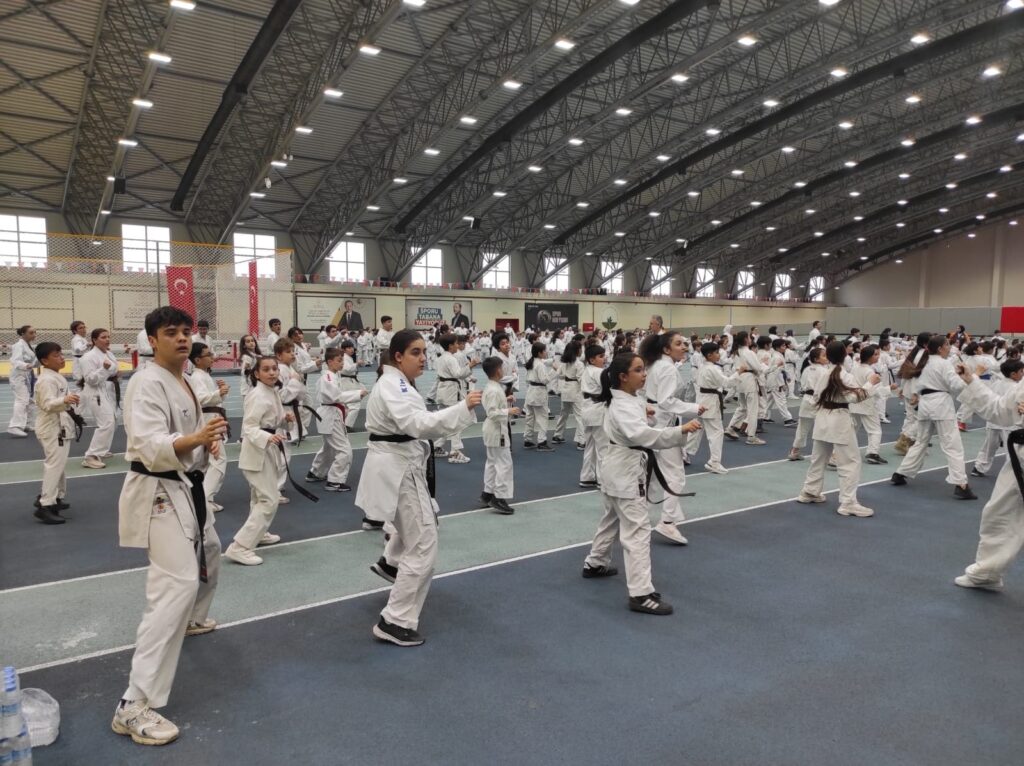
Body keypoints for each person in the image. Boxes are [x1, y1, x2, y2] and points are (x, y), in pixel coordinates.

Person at [112, 306, 226, 747]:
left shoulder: (185, 379)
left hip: (185, 486)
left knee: (210, 554)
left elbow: (186, 433)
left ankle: (192, 618)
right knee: (174, 585)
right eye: (170, 332)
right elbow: (147, 443)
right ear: (152, 340)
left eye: (185, 332)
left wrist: (205, 443)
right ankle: (132, 704)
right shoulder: (146, 382)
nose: (181, 338)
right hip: (160, 493)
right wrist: (192, 441)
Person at [357, 330, 480, 646]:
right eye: (415, 352)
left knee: (416, 525)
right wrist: (463, 408)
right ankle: (394, 621)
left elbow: (417, 425)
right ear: (398, 356)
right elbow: (418, 425)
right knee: (424, 543)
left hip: (400, 464)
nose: (423, 357)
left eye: (424, 351)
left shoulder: (395, 383)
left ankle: (390, 562)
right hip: (399, 470)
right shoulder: (394, 384)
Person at [581, 352, 701, 615]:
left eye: (643, 369)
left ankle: (595, 562)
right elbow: (641, 434)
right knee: (637, 531)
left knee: (611, 518)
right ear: (623, 377)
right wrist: (680, 431)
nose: (644, 374)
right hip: (624, 473)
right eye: (638, 370)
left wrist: (644, 408)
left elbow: (634, 421)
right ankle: (640, 593)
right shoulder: (622, 404)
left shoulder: (626, 398)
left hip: (615, 470)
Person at [952, 357, 1024, 591]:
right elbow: (1001, 411)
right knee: (999, 513)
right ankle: (987, 573)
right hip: (1020, 460)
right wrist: (972, 381)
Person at [797, 341, 880, 517]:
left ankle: (810, 491)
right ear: (844, 355)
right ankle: (848, 502)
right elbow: (853, 397)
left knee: (819, 459)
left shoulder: (825, 374)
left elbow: (815, 398)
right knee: (850, 462)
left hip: (822, 418)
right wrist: (870, 384)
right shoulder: (843, 375)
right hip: (839, 420)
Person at [891, 335, 977, 500]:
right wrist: (967, 378)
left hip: (925, 405)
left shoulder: (926, 362)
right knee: (953, 446)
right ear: (940, 348)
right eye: (947, 345)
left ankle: (900, 473)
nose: (949, 347)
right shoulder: (944, 363)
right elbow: (956, 385)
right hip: (941, 406)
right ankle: (961, 484)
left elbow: (926, 382)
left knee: (921, 442)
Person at [225, 355, 291, 565]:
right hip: (256, 452)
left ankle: (259, 533)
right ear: (256, 373)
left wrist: (284, 420)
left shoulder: (272, 392)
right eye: (266, 369)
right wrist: (267, 436)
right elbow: (249, 427)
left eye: (274, 369)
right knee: (269, 499)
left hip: (266, 450)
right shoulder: (257, 395)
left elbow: (271, 422)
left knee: (258, 498)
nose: (272, 372)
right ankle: (240, 547)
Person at [639, 332, 702, 544]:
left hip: (654, 420)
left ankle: (641, 519)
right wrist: (694, 408)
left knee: (655, 476)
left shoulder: (656, 365)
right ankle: (667, 523)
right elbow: (667, 401)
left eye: (684, 343)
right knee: (674, 476)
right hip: (662, 424)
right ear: (666, 349)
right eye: (678, 344)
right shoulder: (665, 368)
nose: (684, 347)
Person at [32, 341, 80, 524]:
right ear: (44, 360)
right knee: (54, 466)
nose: (61, 358)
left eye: (61, 353)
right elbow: (47, 404)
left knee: (59, 466)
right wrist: (65, 399)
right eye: (56, 355)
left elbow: (59, 402)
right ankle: (45, 504)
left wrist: (68, 402)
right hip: (51, 428)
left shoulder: (56, 377)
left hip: (59, 426)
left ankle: (56, 497)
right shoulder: (46, 380)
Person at [307, 347, 367, 491]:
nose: (342, 364)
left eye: (342, 360)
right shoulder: (327, 377)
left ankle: (316, 472)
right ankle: (335, 480)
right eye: (339, 361)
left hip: (332, 413)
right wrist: (358, 394)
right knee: (344, 450)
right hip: (330, 414)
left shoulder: (333, 375)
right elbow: (335, 396)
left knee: (329, 448)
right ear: (329, 362)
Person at [188, 343, 230, 512]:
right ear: (197, 359)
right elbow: (200, 399)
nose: (212, 357)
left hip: (212, 419)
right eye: (208, 354)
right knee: (219, 460)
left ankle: (205, 497)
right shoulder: (197, 377)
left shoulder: (204, 375)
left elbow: (213, 399)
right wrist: (218, 393)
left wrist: (220, 391)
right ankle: (205, 498)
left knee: (207, 461)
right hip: (208, 421)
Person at [481, 356, 520, 514]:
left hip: (493, 431)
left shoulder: (493, 388)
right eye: (502, 367)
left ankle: (488, 493)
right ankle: (499, 497)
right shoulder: (494, 390)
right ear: (498, 370)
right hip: (497, 431)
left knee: (492, 463)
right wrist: (508, 410)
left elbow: (494, 405)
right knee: (504, 464)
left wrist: (506, 399)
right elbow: (492, 412)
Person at [972, 360, 1024, 477]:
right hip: (1008, 424)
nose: (1023, 373)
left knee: (989, 447)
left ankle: (979, 467)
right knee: (1010, 450)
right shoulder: (1016, 388)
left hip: (993, 422)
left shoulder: (996, 383)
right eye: (1021, 371)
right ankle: (1014, 473)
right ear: (1013, 374)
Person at [688, 341, 733, 474]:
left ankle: (685, 452)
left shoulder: (704, 366)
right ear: (709, 355)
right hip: (710, 403)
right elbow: (727, 383)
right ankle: (714, 462)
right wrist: (739, 373)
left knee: (697, 428)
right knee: (716, 432)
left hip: (703, 400)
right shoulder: (711, 369)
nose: (718, 355)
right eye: (716, 353)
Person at [80, 328, 119, 468]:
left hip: (109, 390)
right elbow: (90, 379)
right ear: (94, 340)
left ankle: (102, 450)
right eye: (103, 337)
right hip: (96, 392)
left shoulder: (109, 353)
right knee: (107, 422)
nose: (107, 339)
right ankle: (90, 456)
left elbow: (114, 369)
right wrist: (104, 369)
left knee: (113, 420)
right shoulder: (88, 357)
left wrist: (111, 371)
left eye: (108, 337)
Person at [433, 333, 476, 463]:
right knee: (456, 421)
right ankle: (455, 452)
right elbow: (458, 374)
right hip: (451, 391)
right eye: (457, 343)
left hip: (444, 389)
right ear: (451, 345)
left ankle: (437, 446)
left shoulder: (441, 358)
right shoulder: (450, 359)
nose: (458, 346)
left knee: (448, 421)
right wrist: (470, 365)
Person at [850, 345, 888, 465]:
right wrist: (889, 389)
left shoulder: (855, 368)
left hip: (854, 402)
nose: (878, 356)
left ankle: (840, 452)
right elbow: (874, 390)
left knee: (851, 429)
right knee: (875, 430)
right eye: (876, 354)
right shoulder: (869, 371)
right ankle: (872, 453)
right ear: (869, 357)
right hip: (866, 403)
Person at [789, 347, 828, 461]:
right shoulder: (824, 371)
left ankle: (794, 451)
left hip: (806, 399)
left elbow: (802, 384)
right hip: (818, 400)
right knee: (824, 428)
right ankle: (827, 456)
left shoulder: (807, 369)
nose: (826, 358)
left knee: (802, 428)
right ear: (816, 359)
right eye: (824, 356)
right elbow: (824, 388)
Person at [726, 331, 765, 445]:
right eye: (749, 337)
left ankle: (730, 428)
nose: (750, 339)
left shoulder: (737, 351)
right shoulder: (749, 352)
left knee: (742, 407)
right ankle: (751, 436)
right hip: (749, 379)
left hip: (740, 380)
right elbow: (758, 368)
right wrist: (762, 368)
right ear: (745, 340)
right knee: (753, 409)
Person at [578, 345, 607, 488]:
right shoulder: (599, 372)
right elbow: (608, 390)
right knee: (603, 447)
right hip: (597, 410)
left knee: (590, 445)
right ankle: (603, 480)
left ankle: (587, 476)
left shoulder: (587, 370)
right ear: (591, 359)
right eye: (601, 356)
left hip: (587, 408)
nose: (604, 358)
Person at [523, 341, 556, 451]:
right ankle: (542, 442)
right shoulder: (540, 365)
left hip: (530, 391)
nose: (546, 352)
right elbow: (544, 380)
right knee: (542, 418)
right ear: (540, 353)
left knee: (530, 417)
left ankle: (527, 439)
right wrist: (553, 371)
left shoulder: (532, 362)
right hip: (538, 392)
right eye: (544, 350)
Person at [7, 325, 38, 438]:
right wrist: (27, 365)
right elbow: (15, 361)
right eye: (31, 333)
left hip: (28, 375)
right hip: (19, 376)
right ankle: (15, 426)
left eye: (35, 332)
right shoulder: (19, 345)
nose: (34, 335)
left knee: (30, 400)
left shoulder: (29, 346)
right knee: (22, 400)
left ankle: (27, 424)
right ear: (23, 334)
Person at [553, 340, 584, 448]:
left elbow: (559, 375)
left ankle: (557, 435)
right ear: (577, 350)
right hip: (575, 390)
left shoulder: (564, 362)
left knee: (563, 414)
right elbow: (581, 379)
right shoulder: (579, 364)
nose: (581, 350)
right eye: (580, 348)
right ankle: (582, 441)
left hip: (566, 389)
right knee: (580, 416)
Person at [238, 334, 261, 399]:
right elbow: (244, 373)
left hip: (256, 386)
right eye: (248, 341)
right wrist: (247, 369)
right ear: (244, 345)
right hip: (248, 388)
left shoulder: (258, 355)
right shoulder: (246, 357)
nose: (251, 343)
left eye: (252, 341)